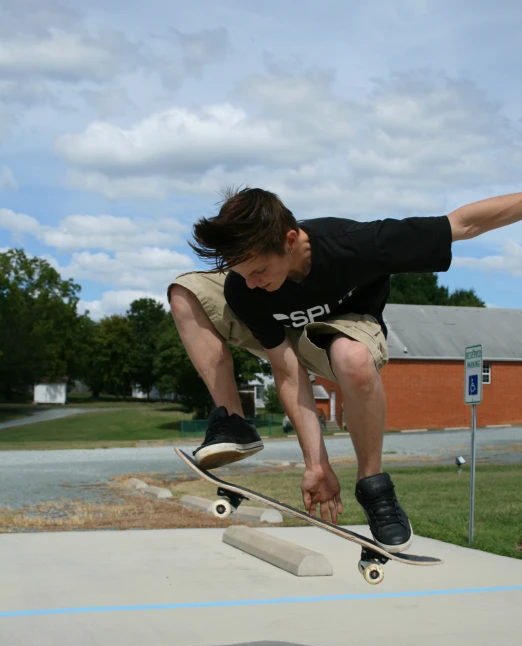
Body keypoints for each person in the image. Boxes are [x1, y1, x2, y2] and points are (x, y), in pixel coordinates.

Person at [169, 186, 522, 553]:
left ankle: (374, 486)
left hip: (345, 328)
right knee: (185, 291)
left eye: (258, 270)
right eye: (244, 274)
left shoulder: (360, 244)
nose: (253, 282)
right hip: (284, 334)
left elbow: (463, 223)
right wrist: (316, 465)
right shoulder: (245, 288)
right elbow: (289, 374)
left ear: (290, 240)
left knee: (351, 358)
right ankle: (233, 422)